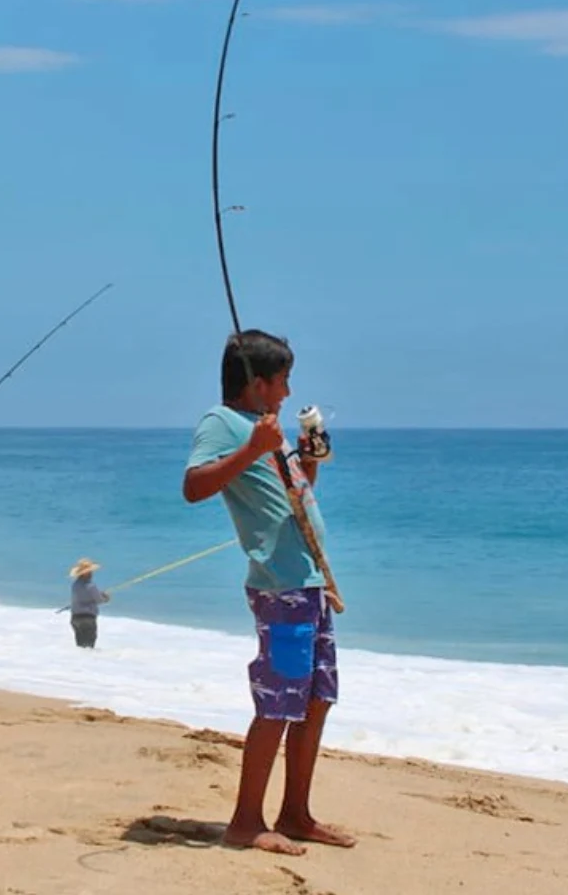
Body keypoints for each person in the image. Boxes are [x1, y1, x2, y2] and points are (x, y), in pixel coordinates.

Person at [182, 329, 355, 856]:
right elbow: (194, 485)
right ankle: (244, 822)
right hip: (280, 587)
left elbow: (290, 495)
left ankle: (295, 813)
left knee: (317, 700)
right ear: (258, 383)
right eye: (281, 380)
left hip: (309, 583)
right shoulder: (224, 423)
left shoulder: (266, 427)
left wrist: (307, 463)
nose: (287, 390)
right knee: (279, 703)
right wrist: (254, 447)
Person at [68, 558, 109, 648]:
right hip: (87, 619)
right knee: (89, 647)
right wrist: (106, 598)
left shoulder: (75, 584)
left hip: (75, 618)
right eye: (90, 572)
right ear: (86, 573)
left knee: (80, 646)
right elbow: (99, 600)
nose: (92, 574)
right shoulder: (90, 585)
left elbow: (84, 596)